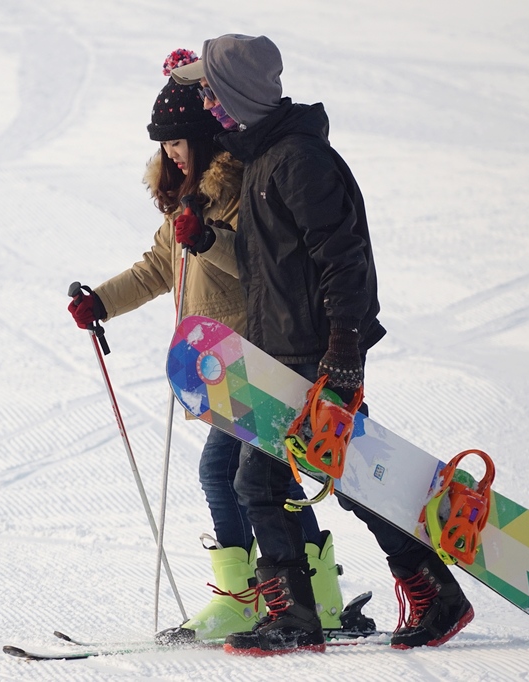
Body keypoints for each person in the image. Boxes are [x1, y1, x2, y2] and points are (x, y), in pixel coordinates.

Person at [171, 34, 474, 655]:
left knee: (258, 481)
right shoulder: (263, 159)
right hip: (282, 349)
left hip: (312, 352)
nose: (206, 100)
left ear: (236, 93)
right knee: (350, 477)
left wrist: (343, 352)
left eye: (210, 88)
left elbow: (345, 262)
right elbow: (273, 273)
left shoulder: (297, 161)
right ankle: (432, 593)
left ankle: (298, 617)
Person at [68, 49, 347, 644]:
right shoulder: (183, 199)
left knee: (224, 470)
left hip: (255, 355)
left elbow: (259, 269)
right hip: (220, 362)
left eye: (178, 140)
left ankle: (249, 596)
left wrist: (207, 238)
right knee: (270, 479)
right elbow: (155, 268)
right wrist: (101, 303)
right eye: (162, 143)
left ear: (202, 136)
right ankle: (315, 594)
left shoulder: (237, 189)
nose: (169, 152)